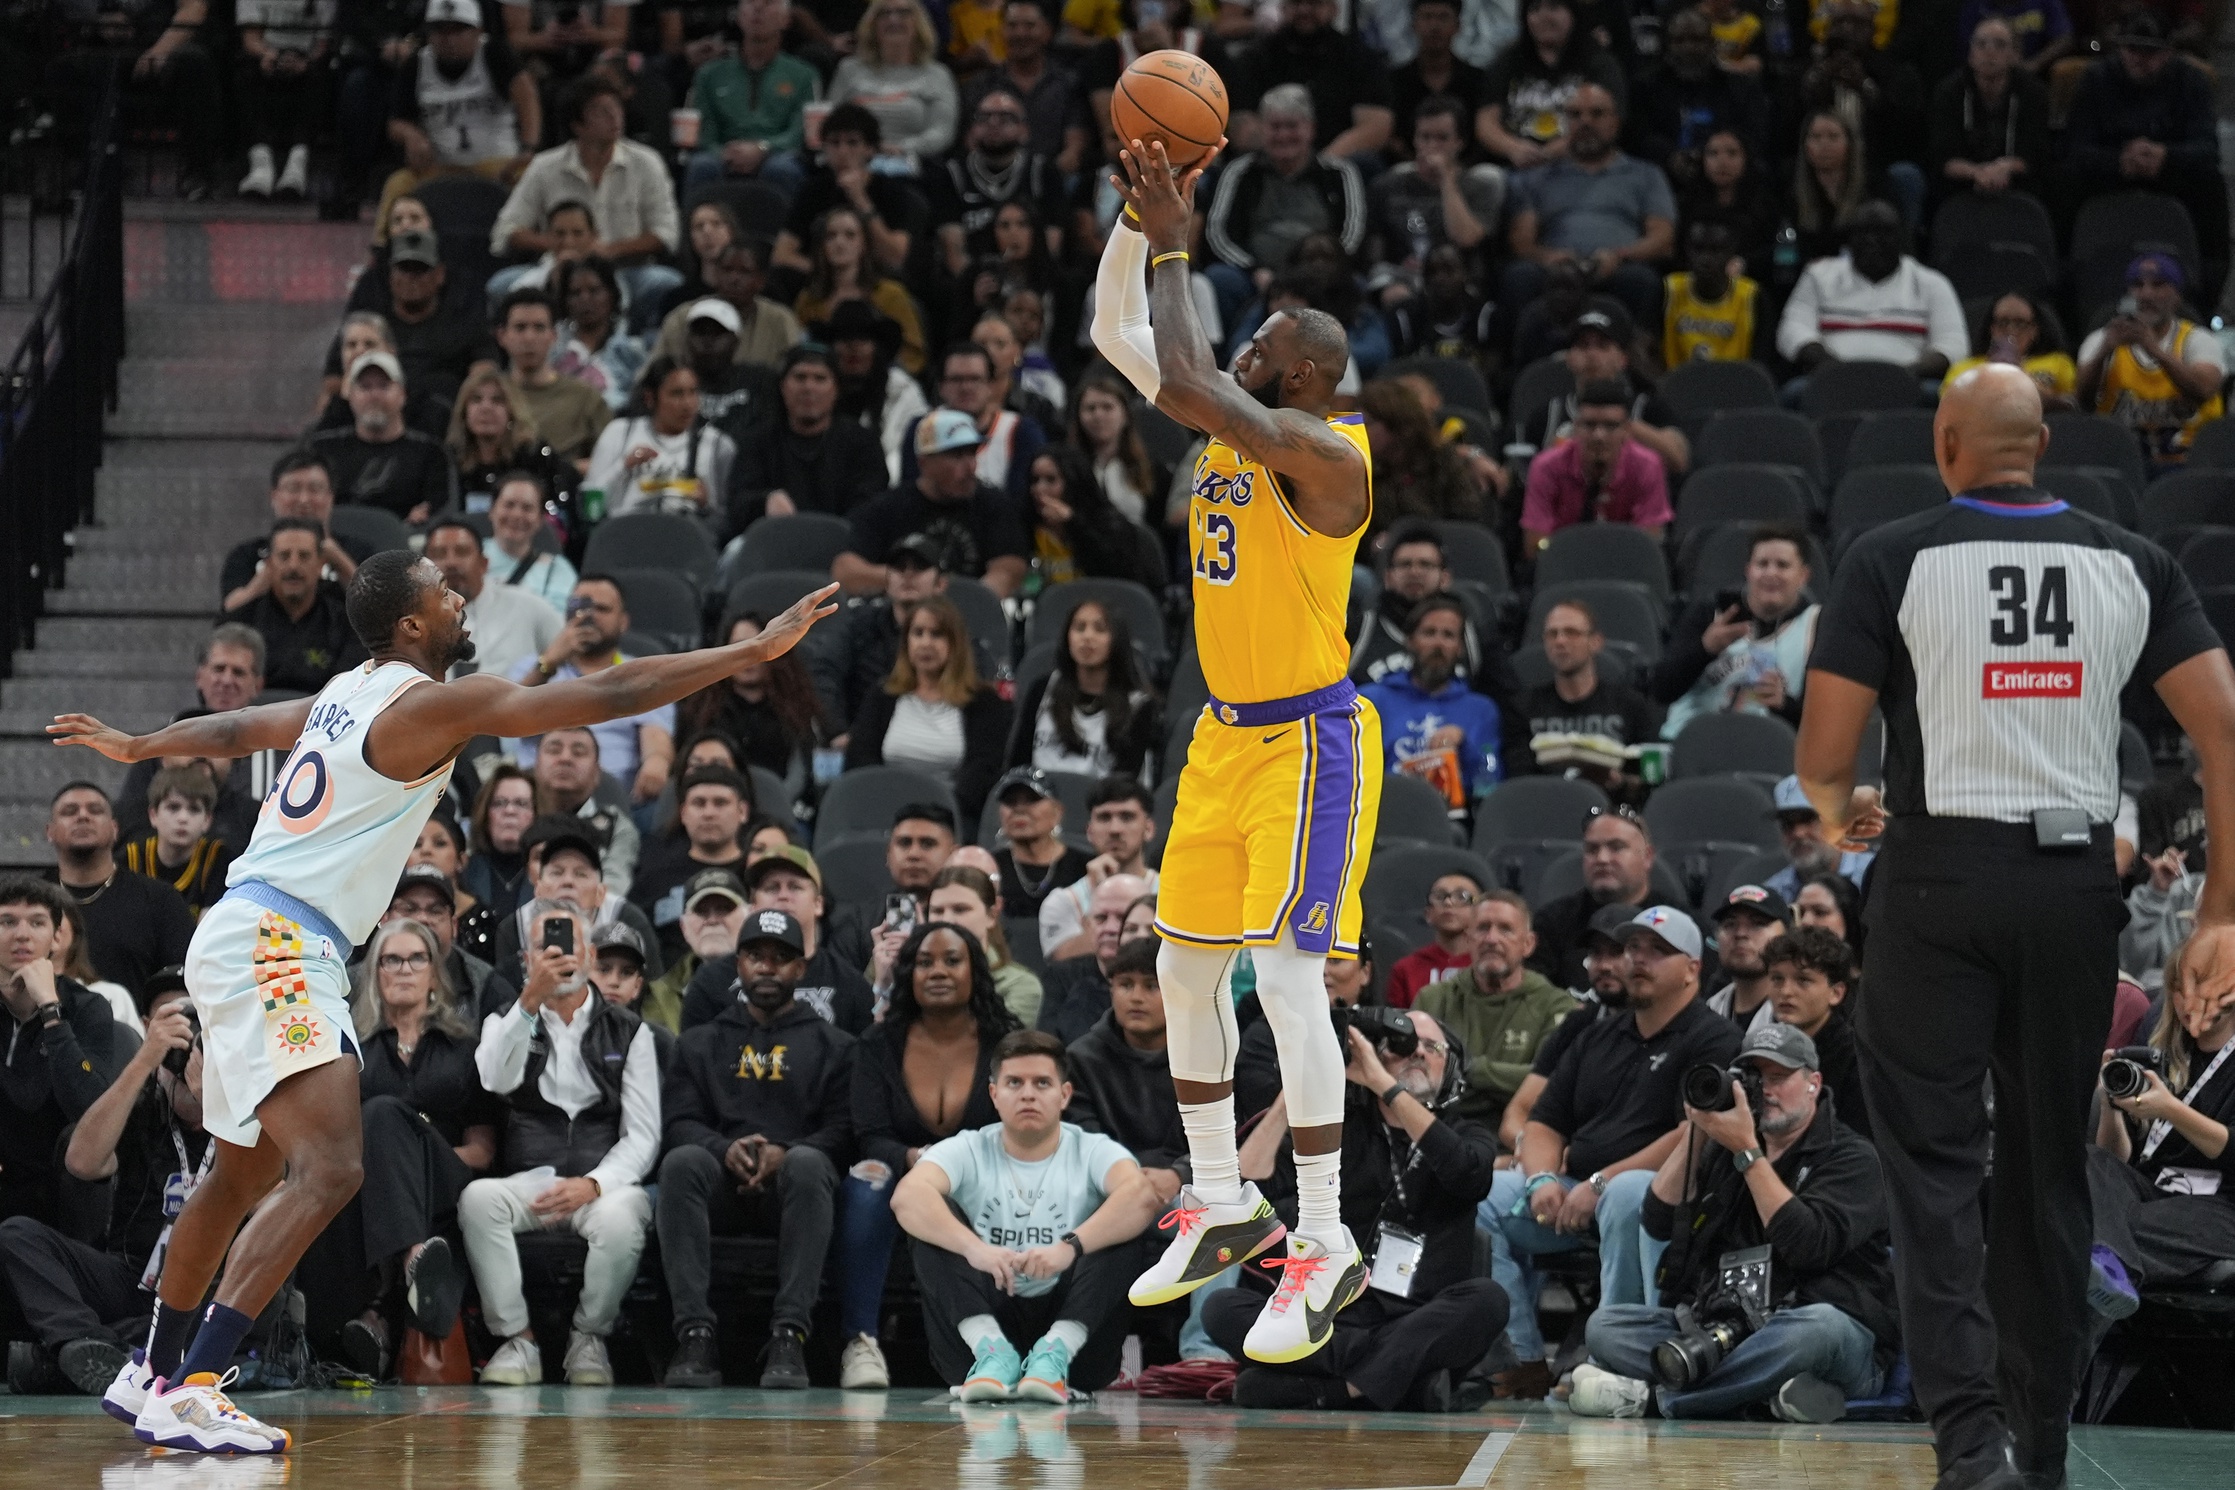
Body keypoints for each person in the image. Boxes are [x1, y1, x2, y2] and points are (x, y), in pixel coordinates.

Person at [48, 552, 838, 1452]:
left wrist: (145, 745)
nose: (462, 599)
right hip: (280, 942)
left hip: (245, 929)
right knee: (330, 1169)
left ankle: (150, 1373)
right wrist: (749, 652)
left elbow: (244, 726)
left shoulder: (348, 691)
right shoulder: (427, 704)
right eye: (445, 591)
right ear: (412, 624)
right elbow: (611, 691)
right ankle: (194, 1384)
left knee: (242, 1174)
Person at [1794, 360, 2235, 1490]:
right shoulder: (2135, 560)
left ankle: (1967, 1446)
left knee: (1934, 1174)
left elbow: (1825, 756)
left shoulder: (1890, 555)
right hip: (2073, 889)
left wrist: (1844, 813)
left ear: (1945, 446)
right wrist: (2222, 910)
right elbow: (2225, 729)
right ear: (2039, 444)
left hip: (1935, 882)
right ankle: (2040, 1450)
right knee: (2050, 1177)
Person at [1096, 135, 1383, 1364]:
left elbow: (1192, 377)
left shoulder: (1330, 456)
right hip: (1223, 737)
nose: (1239, 347)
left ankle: (1324, 1234)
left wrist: (1177, 243)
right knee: (1182, 970)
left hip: (1311, 741)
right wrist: (1136, 221)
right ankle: (1222, 1196)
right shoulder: (1228, 427)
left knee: (1287, 978)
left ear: (1302, 370)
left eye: (1259, 341)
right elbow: (1116, 332)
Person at [1569, 1023, 1898, 1422]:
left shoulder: (1853, 1157)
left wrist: (1748, 1152)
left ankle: (1653, 1401)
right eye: (1755, 1078)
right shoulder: (1725, 1152)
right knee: (1605, 1327)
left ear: (1813, 1083)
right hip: (1726, 1330)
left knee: (1816, 1330)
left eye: (1779, 1077)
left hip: (1819, 1330)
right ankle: (1764, 1396)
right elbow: (1658, 1221)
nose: (1766, 1090)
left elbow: (1807, 1246)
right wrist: (1697, 1131)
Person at [1483, 906, 1745, 1398]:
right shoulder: (1598, 1034)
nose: (1638, 959)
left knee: (1627, 1193)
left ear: (1693, 968)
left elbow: (1693, 1132)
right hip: (1574, 1190)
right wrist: (1541, 1179)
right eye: (1633, 949)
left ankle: (1621, 1360)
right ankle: (1521, 1359)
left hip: (1667, 1197)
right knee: (1483, 1196)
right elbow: (1543, 1123)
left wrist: (1600, 1182)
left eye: (1658, 951)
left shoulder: (1715, 1037)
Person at [1212, 1005, 1507, 1408]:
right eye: (1403, 1044)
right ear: (1372, 1056)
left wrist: (1387, 1087)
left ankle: (1332, 1391)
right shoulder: (1339, 1127)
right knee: (1221, 1308)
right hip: (1331, 1316)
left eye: (1432, 1046)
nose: (1417, 1052)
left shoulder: (1468, 1132)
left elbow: (1468, 1175)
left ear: (1452, 1065)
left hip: (1422, 1315)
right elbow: (1245, 1191)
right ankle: (1396, 1381)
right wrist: (1296, 1092)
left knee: (1487, 1301)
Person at [890, 1029, 1157, 1401]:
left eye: (1042, 1083)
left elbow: (1142, 1197)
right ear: (994, 1094)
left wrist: (1069, 1247)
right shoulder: (968, 1147)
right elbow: (907, 1197)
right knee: (930, 1219)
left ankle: (1054, 1353)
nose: (1028, 1094)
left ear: (1065, 1095)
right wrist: (974, 1248)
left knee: (1123, 1223)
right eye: (1014, 1082)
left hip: (1078, 1349)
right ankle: (992, 1352)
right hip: (976, 1335)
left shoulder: (1093, 1149)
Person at [459, 900, 661, 1388]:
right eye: (544, 948)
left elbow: (643, 1134)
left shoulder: (630, 1031)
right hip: (532, 1180)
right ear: (526, 961)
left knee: (623, 1215)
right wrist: (528, 1003)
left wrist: (594, 1184)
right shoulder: (504, 1020)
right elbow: (495, 1079)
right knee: (478, 1200)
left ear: (590, 956)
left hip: (600, 1184)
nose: (559, 956)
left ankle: (589, 1336)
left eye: (570, 946)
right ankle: (516, 1339)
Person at [656, 909, 851, 1388]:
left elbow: (844, 1130)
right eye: (755, 956)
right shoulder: (699, 1043)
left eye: (781, 958)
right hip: (721, 1187)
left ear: (800, 969)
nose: (767, 967)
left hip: (795, 1193)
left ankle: (789, 1334)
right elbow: (679, 1123)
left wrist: (786, 1151)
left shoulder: (836, 1046)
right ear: (738, 964)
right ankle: (695, 1334)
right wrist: (723, 1148)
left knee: (809, 1163)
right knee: (682, 1162)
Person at [0, 968, 200, 1397]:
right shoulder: (144, 1104)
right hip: (131, 1277)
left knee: (233, 1312)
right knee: (17, 1234)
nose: (186, 1042)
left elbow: (269, 1202)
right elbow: (82, 1162)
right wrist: (145, 1061)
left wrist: (218, 1100)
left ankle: (80, 1350)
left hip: (202, 1289)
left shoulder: (250, 1111)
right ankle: (90, 1343)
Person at [839, 921, 1020, 1389]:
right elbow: (870, 1134)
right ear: (908, 974)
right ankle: (860, 1342)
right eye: (924, 962)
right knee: (865, 1183)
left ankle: (1006, 1342)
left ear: (975, 971)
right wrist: (918, 1159)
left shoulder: (1008, 1043)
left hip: (984, 1174)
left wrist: (956, 1164)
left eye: (952, 960)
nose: (937, 971)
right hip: (901, 1171)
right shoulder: (878, 1043)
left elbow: (1022, 1126)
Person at [334, 916, 497, 1378]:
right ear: (374, 973)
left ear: (434, 972)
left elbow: (483, 1150)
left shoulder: (465, 1047)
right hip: (373, 1187)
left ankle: (385, 1302)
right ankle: (410, 1270)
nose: (404, 969)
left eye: (416, 959)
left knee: (384, 1113)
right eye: (391, 960)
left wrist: (417, 1161)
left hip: (448, 1175)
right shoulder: (352, 1052)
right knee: (381, 1121)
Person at [2086, 941, 2235, 1305]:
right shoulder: (2159, 1055)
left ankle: (2105, 1263)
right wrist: (2109, 1104)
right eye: (2181, 989)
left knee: (2084, 1230)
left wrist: (2170, 1110)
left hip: (2220, 1203)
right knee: (2090, 1161)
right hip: (2151, 1192)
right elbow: (2116, 1161)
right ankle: (2107, 1266)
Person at [491, 75, 683, 323]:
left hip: (625, 270)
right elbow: (506, 230)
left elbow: (666, 233)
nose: (614, 117)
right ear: (577, 125)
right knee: (500, 285)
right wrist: (561, 245)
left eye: (616, 108)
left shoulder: (646, 162)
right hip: (559, 272)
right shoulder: (545, 166)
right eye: (601, 111)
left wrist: (608, 251)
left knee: (666, 282)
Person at [2064, 11, 2224, 303]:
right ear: (2120, 48)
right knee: (2065, 180)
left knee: (2210, 183)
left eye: (2151, 52)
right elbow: (2075, 149)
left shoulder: (2191, 80)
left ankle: (2204, 290)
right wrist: (2119, 161)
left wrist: (2165, 156)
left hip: (2171, 175)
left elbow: (2207, 149)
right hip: (2110, 175)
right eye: (2132, 49)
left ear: (2169, 52)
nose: (2141, 58)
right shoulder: (2096, 79)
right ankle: (2071, 282)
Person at [0, 879, 127, 1230]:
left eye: (37, 922)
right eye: (7, 922)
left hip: (57, 1202)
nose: (22, 934)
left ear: (57, 938)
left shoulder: (87, 1007)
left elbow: (88, 1108)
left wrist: (49, 1010)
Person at [1501, 85, 1674, 338]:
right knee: (1520, 276)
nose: (1585, 122)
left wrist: (1620, 256)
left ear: (1615, 122)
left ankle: (1637, 356)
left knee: (1642, 280)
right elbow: (1522, 242)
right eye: (1575, 115)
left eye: (1597, 114)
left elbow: (1662, 237)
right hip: (1556, 271)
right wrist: (1550, 258)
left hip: (1619, 267)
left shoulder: (1646, 174)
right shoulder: (1535, 178)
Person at [1199, 85, 1368, 339]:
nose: (1283, 135)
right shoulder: (1239, 172)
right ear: (1262, 129)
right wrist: (1255, 270)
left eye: (1292, 126)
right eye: (1275, 127)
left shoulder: (1340, 173)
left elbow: (1353, 234)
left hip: (1322, 276)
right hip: (1256, 278)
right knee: (1219, 278)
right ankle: (1228, 352)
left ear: (1311, 129)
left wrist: (1313, 275)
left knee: (1357, 284)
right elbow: (1218, 235)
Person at [375, 0, 539, 238]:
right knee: (398, 184)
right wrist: (411, 136)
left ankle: (537, 247)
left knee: (530, 177)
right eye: (440, 31)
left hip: (497, 164)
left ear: (477, 31)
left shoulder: (494, 54)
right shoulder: (417, 64)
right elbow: (396, 122)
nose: (449, 39)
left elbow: (526, 96)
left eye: (458, 30)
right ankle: (382, 250)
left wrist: (528, 147)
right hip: (440, 166)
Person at [842, 596, 1012, 824]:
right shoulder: (882, 696)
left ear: (956, 643)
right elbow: (861, 763)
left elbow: (981, 776)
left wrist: (935, 816)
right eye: (918, 633)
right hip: (886, 816)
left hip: (954, 819)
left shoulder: (984, 703)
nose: (925, 643)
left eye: (937, 634)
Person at [513, 575, 677, 810]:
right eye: (580, 606)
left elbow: (655, 736)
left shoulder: (640, 674)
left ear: (623, 622)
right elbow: (509, 716)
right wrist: (548, 663)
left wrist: (656, 762)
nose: (589, 616)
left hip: (618, 802)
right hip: (535, 801)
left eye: (602, 609)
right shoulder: (532, 668)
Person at [677, 848, 878, 1033]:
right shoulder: (711, 984)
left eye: (795, 887)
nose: (783, 896)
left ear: (818, 904)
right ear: (753, 906)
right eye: (772, 888)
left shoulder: (850, 986)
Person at [1416, 892, 1577, 1123]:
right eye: (1483, 928)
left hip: (1518, 1137)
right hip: (1440, 1131)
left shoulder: (1556, 1007)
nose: (1492, 939)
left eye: (1506, 929)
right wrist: (1511, 1084)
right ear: (1468, 939)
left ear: (1528, 944)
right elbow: (1417, 1078)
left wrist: (1468, 1069)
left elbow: (1551, 1086)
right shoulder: (1433, 999)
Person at [1775, 202, 1968, 391]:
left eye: (1883, 233)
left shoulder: (1932, 283)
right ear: (1849, 238)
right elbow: (1792, 331)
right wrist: (1833, 368)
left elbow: (1953, 344)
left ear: (1901, 238)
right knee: (1795, 391)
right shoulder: (1818, 276)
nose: (1872, 241)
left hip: (1910, 384)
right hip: (1832, 381)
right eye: (1863, 233)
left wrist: (1904, 375)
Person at [1654, 523, 1818, 738]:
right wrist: (1705, 649)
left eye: (1782, 565)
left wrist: (1785, 705)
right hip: (1693, 742)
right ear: (1748, 570)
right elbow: (1661, 690)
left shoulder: (1816, 624)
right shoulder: (1708, 613)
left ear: (1803, 575)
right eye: (1762, 564)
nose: (1771, 573)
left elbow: (1827, 721)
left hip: (1769, 748)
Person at [1065, 936, 1191, 1211]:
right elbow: (1083, 1142)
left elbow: (1226, 1141)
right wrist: (1129, 1180)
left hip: (1191, 1192)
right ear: (1111, 990)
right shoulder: (1081, 1059)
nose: (1136, 997)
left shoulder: (1206, 1057)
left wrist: (1180, 1174)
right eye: (1125, 985)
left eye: (1152, 986)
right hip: (1106, 1190)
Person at [44, 786, 197, 1007]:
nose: (83, 816)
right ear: (49, 831)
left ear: (115, 829)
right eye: (70, 811)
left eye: (95, 810)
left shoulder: (160, 900)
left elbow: (182, 978)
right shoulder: (30, 903)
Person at [2075, 254, 2226, 474]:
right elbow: (2084, 402)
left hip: (2191, 466)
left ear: (2177, 296)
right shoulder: (2101, 340)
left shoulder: (2199, 340)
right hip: (2123, 468)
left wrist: (2153, 349)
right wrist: (2103, 353)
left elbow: (2203, 390)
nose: (2146, 294)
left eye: (2158, 285)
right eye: (2137, 285)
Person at [1362, 596, 1503, 820]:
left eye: (1448, 635)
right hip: (1383, 816)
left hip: (1455, 822)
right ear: (1410, 641)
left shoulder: (1481, 710)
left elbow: (1488, 786)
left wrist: (1465, 746)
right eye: (1429, 633)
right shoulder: (1372, 700)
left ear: (1460, 648)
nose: (1439, 643)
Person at [726, 346, 891, 532]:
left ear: (836, 389)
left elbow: (872, 506)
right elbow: (738, 503)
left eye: (820, 378)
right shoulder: (757, 441)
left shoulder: (863, 443)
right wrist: (764, 502)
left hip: (844, 543)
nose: (808, 387)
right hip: (773, 541)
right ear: (782, 386)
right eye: (800, 377)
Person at [1366, 97, 1506, 297]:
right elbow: (1375, 251)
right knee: (1393, 294)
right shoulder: (1389, 184)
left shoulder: (1481, 184)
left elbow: (1466, 238)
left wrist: (1446, 179)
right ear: (1414, 140)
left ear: (1460, 142)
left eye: (1442, 138)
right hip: (1402, 278)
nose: (1432, 146)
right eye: (1424, 137)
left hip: (1459, 280)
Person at [677, 610, 833, 785]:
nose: (748, 657)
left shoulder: (798, 714)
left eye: (757, 646)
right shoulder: (702, 712)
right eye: (738, 647)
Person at [1519, 378, 1673, 556]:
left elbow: (1650, 545)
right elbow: (1535, 545)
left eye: (1610, 426)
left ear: (1627, 430)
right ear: (1576, 427)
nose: (1599, 436)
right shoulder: (1546, 467)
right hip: (1563, 564)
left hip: (1628, 564)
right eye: (1589, 425)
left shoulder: (1647, 466)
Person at [1008, 599, 1159, 780]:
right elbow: (1017, 767)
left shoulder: (1138, 706)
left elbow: (1126, 782)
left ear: (1117, 639)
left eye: (1100, 629)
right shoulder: (1042, 689)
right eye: (1079, 628)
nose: (1087, 637)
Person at [1515, 599, 1662, 784]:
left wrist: (1623, 782)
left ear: (1596, 642)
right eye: (1552, 634)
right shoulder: (1523, 708)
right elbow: (1519, 781)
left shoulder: (1631, 705)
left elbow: (1652, 775)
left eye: (1571, 632)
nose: (1560, 641)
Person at [893, 343, 1047, 514]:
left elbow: (1021, 503)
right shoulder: (923, 428)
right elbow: (911, 494)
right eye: (956, 379)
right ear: (941, 387)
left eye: (975, 379)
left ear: (990, 386)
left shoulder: (1021, 431)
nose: (966, 388)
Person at [1477, 0, 1627, 176]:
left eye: (1554, 7)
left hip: (1581, 168)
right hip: (1515, 169)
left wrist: (1557, 150)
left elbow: (1610, 119)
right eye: (1535, 9)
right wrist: (1513, 148)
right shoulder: (1507, 62)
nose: (1544, 17)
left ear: (1573, 14)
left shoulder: (1600, 64)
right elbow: (1486, 121)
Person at [1625, 6, 1768, 191]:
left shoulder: (1741, 88)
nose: (1688, 48)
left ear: (1712, 44)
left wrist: (1714, 156)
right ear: (1667, 45)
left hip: (1729, 185)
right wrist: (1670, 157)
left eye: (1697, 39)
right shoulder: (1645, 88)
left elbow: (1754, 136)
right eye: (1679, 40)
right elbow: (1638, 137)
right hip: (1659, 182)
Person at [1228, 0, 1393, 159]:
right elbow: (1241, 126)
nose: (1304, 10)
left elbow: (1376, 127)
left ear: (1333, 10)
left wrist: (1319, 165)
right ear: (1283, 9)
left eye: (1315, 3)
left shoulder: (1360, 58)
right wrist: (1286, 156)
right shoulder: (1256, 58)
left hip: (1339, 161)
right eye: (1296, 2)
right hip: (1270, 160)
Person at [681, 0, 816, 195]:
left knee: (782, 169)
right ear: (738, 16)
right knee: (702, 165)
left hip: (778, 153)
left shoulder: (804, 75)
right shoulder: (709, 74)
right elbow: (703, 130)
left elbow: (800, 130)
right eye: (751, 2)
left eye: (768, 3)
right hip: (723, 152)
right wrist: (725, 153)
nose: (758, 8)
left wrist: (763, 149)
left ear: (786, 19)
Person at [308, 349, 457, 524]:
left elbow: (439, 515)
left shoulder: (431, 454)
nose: (374, 395)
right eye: (365, 387)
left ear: (402, 394)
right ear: (350, 396)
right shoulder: (322, 450)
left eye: (384, 386)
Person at [1527, 805, 1657, 996]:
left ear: (1647, 856)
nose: (1602, 858)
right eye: (1592, 849)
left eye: (1616, 847)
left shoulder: (1677, 924)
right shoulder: (1551, 924)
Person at [629, 768, 753, 962]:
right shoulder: (653, 878)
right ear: (683, 813)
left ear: (743, 811)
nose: (709, 813)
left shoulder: (757, 876)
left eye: (720, 803)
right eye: (699, 803)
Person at [1927, 17, 2051, 209]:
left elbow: (2035, 153)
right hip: (1960, 183)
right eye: (1981, 44)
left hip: (2018, 182)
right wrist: (1977, 173)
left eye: (1999, 44)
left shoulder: (2034, 92)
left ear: (2015, 54)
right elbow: (1943, 156)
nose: (1989, 51)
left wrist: (2004, 167)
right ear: (1970, 54)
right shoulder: (1948, 91)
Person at [790, 209, 928, 381]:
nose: (839, 243)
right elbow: (797, 350)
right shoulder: (808, 299)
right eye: (831, 236)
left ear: (864, 244)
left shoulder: (891, 295)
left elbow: (913, 353)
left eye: (850, 235)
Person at [218, 450, 366, 609]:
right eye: (293, 489)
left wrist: (338, 560)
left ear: (331, 497)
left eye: (314, 489)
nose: (303, 500)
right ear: (273, 496)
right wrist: (268, 574)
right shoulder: (246, 555)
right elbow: (230, 611)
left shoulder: (358, 552)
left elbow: (375, 608)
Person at [826, 0, 961, 173]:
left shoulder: (938, 74)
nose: (893, 20)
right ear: (872, 25)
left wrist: (901, 148)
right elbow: (830, 120)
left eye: (903, 13)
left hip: (912, 163)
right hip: (851, 161)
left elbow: (942, 131)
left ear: (918, 24)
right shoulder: (848, 69)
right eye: (884, 14)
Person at [1761, 925, 1867, 1142]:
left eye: (1803, 980)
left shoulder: (1856, 1061)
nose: (1786, 991)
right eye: (1777, 979)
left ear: (1836, 993)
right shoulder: (1758, 1049)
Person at [423, 518, 561, 684]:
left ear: (484, 564)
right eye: (439, 554)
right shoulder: (412, 621)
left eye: (462, 552)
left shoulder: (529, 607)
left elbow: (572, 657)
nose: (451, 562)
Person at [1037, 777, 1159, 960]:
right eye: (1104, 818)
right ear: (1089, 831)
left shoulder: (1173, 896)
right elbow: (1065, 965)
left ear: (1148, 829)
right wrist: (1100, 893)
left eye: (1127, 817)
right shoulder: (1062, 903)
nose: (1115, 829)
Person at [1034, 874, 1154, 1044]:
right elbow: (1046, 1045)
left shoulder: (1171, 980)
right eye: (1101, 918)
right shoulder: (1060, 977)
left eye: (1122, 918)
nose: (1110, 928)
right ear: (1086, 925)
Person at [119, 767, 233, 921]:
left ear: (207, 820)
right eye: (173, 807)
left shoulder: (218, 858)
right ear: (153, 815)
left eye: (194, 809)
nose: (183, 818)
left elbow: (212, 926)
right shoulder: (131, 858)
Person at [988, 767, 1092, 926]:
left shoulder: (1087, 869)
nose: (1019, 809)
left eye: (1032, 800)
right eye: (1010, 801)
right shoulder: (988, 866)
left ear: (1057, 812)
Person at [1944, 290, 2076, 411]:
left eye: (2020, 323)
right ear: (1992, 329)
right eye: (2003, 322)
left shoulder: (2057, 362)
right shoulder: (1966, 368)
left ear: (2034, 331)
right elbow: (1949, 403)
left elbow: (2073, 404)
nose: (2010, 330)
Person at [553, 256, 648, 413]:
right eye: (575, 293)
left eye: (594, 291)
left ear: (611, 295)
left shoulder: (631, 352)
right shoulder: (553, 348)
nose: (584, 299)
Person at [1662, 218, 1759, 365]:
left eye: (1715, 251)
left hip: (1733, 379)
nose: (1705, 259)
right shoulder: (1668, 290)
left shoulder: (1752, 296)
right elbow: (1642, 348)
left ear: (1731, 253)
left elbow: (1761, 364)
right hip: (1677, 378)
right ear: (1686, 250)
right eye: (1698, 249)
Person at [1787, 109, 1874, 267]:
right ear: (1805, 145)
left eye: (1833, 137)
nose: (1824, 145)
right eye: (1816, 137)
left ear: (1850, 144)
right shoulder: (1791, 190)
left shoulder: (1872, 187)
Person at [484, 472, 579, 612]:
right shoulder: (465, 556)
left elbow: (566, 621)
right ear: (492, 510)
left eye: (527, 508)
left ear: (540, 519)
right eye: (509, 505)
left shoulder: (558, 570)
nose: (517, 515)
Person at [1386, 873, 1484, 1009]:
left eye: (1462, 896)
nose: (1448, 903)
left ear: (1481, 911)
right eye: (1439, 896)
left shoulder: (1490, 964)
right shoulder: (1406, 969)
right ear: (1428, 914)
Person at [1704, 885, 1792, 1034]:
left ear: (1787, 935)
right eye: (1730, 924)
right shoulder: (1709, 1009)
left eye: (1758, 923)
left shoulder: (1802, 1013)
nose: (1740, 934)